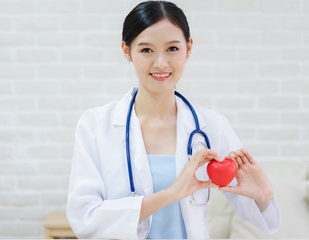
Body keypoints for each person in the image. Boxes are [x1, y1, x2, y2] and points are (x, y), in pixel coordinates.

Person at [66, 1, 280, 239]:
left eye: (172, 49)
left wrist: (263, 195)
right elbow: (84, 219)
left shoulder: (211, 125)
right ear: (126, 51)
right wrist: (171, 193)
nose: (161, 62)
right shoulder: (95, 125)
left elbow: (262, 219)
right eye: (146, 50)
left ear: (188, 48)